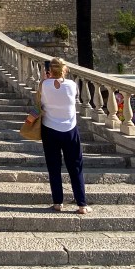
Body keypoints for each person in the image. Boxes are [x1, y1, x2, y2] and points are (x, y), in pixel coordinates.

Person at [39, 57, 89, 214]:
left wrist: (45, 79)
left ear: (50, 70)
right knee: (75, 167)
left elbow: (40, 100)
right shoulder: (72, 85)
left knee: (53, 167)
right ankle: (81, 204)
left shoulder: (43, 85)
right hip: (70, 129)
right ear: (65, 69)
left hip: (50, 128)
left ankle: (58, 202)